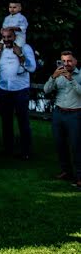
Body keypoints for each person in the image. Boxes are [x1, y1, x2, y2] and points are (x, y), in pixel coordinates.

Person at [0, 28, 37, 159]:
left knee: (23, 121)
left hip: (20, 89)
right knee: (6, 121)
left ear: (15, 37)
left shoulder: (25, 48)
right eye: (4, 37)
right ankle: (8, 150)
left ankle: (26, 152)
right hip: (3, 89)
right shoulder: (0, 49)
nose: (6, 40)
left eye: (9, 37)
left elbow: (32, 68)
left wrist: (20, 55)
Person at [46, 51, 81, 189]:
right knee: (60, 144)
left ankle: (79, 176)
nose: (66, 64)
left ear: (76, 61)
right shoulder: (58, 74)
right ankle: (66, 171)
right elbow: (46, 90)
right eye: (63, 61)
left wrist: (71, 79)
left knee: (76, 146)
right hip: (59, 113)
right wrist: (53, 77)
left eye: (69, 61)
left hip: (75, 114)